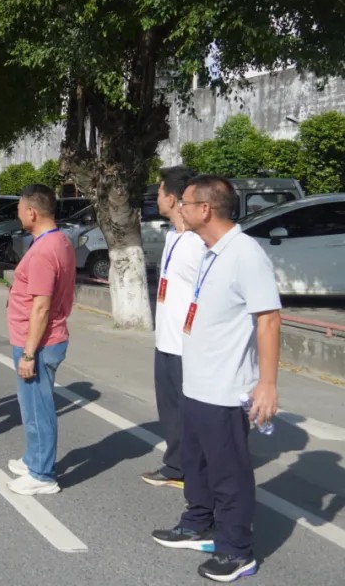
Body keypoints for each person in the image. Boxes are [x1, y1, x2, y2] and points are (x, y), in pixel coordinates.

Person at [151, 175, 281, 583]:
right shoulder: (210, 252)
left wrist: (267, 383)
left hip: (226, 388)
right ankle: (198, 523)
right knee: (196, 464)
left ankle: (236, 550)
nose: (181, 208)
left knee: (228, 473)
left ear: (205, 209)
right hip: (196, 383)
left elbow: (269, 319)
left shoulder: (245, 254)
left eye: (186, 203)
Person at [4, 184, 76, 495]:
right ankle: (34, 458)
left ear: (32, 213)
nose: (18, 214)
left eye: (20, 209)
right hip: (40, 338)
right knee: (31, 406)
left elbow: (41, 306)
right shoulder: (58, 241)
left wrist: (29, 354)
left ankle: (43, 474)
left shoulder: (45, 251)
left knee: (38, 409)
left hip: (38, 343)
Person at [142, 166, 204, 489]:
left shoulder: (197, 243)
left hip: (186, 344)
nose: (156, 199)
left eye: (159, 193)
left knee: (190, 411)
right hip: (164, 339)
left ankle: (197, 469)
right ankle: (176, 463)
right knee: (169, 409)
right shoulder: (172, 237)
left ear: (172, 198)